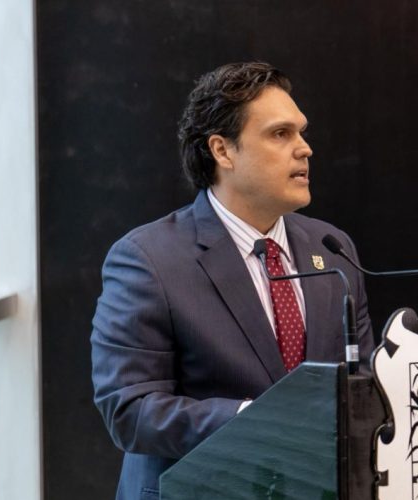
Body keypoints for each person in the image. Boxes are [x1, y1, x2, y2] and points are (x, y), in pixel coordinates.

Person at [90, 62, 374, 500]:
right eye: (280, 134)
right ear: (223, 151)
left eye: (301, 132)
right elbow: (130, 410)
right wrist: (256, 420)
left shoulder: (332, 247)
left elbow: (364, 381)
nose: (305, 149)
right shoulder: (148, 259)